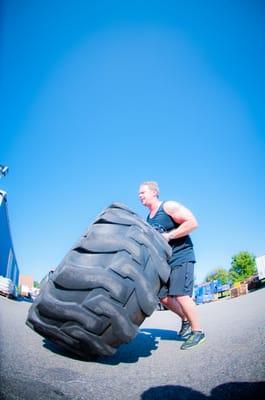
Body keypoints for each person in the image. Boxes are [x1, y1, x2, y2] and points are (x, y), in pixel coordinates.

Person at [138, 181, 205, 350]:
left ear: (154, 192)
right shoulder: (149, 218)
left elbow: (192, 222)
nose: (140, 196)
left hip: (182, 255)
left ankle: (198, 332)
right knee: (162, 296)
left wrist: (170, 235)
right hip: (165, 263)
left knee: (181, 294)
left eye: (142, 192)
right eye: (139, 194)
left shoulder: (168, 206)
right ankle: (185, 319)